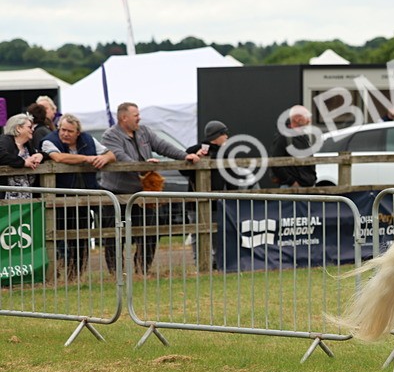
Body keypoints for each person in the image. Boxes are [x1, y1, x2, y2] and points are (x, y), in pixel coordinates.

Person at [99, 101, 204, 274]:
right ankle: (116, 272)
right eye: (136, 115)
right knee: (115, 234)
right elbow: (120, 157)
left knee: (151, 230)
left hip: (142, 192)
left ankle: (142, 269)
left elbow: (163, 146)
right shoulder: (110, 136)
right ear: (124, 118)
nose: (139, 118)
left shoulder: (144, 132)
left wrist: (185, 155)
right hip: (117, 192)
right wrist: (143, 166)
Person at [42, 114, 116, 279]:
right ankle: (58, 274)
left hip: (85, 199)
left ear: (77, 132)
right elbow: (58, 157)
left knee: (82, 238)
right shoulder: (49, 141)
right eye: (63, 130)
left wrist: (103, 158)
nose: (65, 134)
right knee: (59, 237)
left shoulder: (88, 140)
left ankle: (76, 275)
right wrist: (87, 158)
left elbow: (111, 154)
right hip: (59, 200)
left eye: (70, 131)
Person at [184, 120, 250, 191]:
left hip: (218, 197)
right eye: (224, 133)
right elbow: (184, 171)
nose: (227, 136)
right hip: (196, 198)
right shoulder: (195, 150)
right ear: (217, 136)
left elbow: (232, 182)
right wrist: (195, 158)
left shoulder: (225, 153)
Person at [271, 105, 318, 188]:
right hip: (292, 188)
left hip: (308, 186)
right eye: (306, 117)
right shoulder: (283, 136)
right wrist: (292, 182)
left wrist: (313, 178)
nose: (309, 120)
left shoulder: (304, 137)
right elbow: (275, 162)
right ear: (297, 118)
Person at [0, 114, 45, 199]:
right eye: (29, 127)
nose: (33, 129)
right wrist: (23, 162)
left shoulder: (27, 146)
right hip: (6, 200)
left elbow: (46, 154)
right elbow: (1, 155)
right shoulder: (5, 140)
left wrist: (41, 155)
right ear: (19, 128)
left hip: (28, 199)